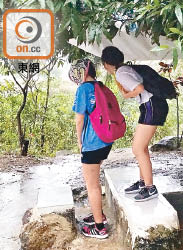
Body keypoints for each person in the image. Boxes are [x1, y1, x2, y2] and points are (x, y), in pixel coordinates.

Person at [101, 46, 169, 202]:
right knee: (141, 147)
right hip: (150, 106)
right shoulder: (125, 69)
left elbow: (139, 88)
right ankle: (143, 182)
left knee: (137, 148)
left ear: (106, 63)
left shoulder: (121, 72)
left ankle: (150, 188)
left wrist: (126, 95)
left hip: (151, 106)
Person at [69, 59, 112, 239]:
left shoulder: (83, 89)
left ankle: (99, 227)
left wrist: (80, 142)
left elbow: (79, 119)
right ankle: (97, 214)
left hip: (92, 143)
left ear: (83, 72)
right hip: (105, 141)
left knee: (92, 185)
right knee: (94, 180)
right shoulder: (100, 86)